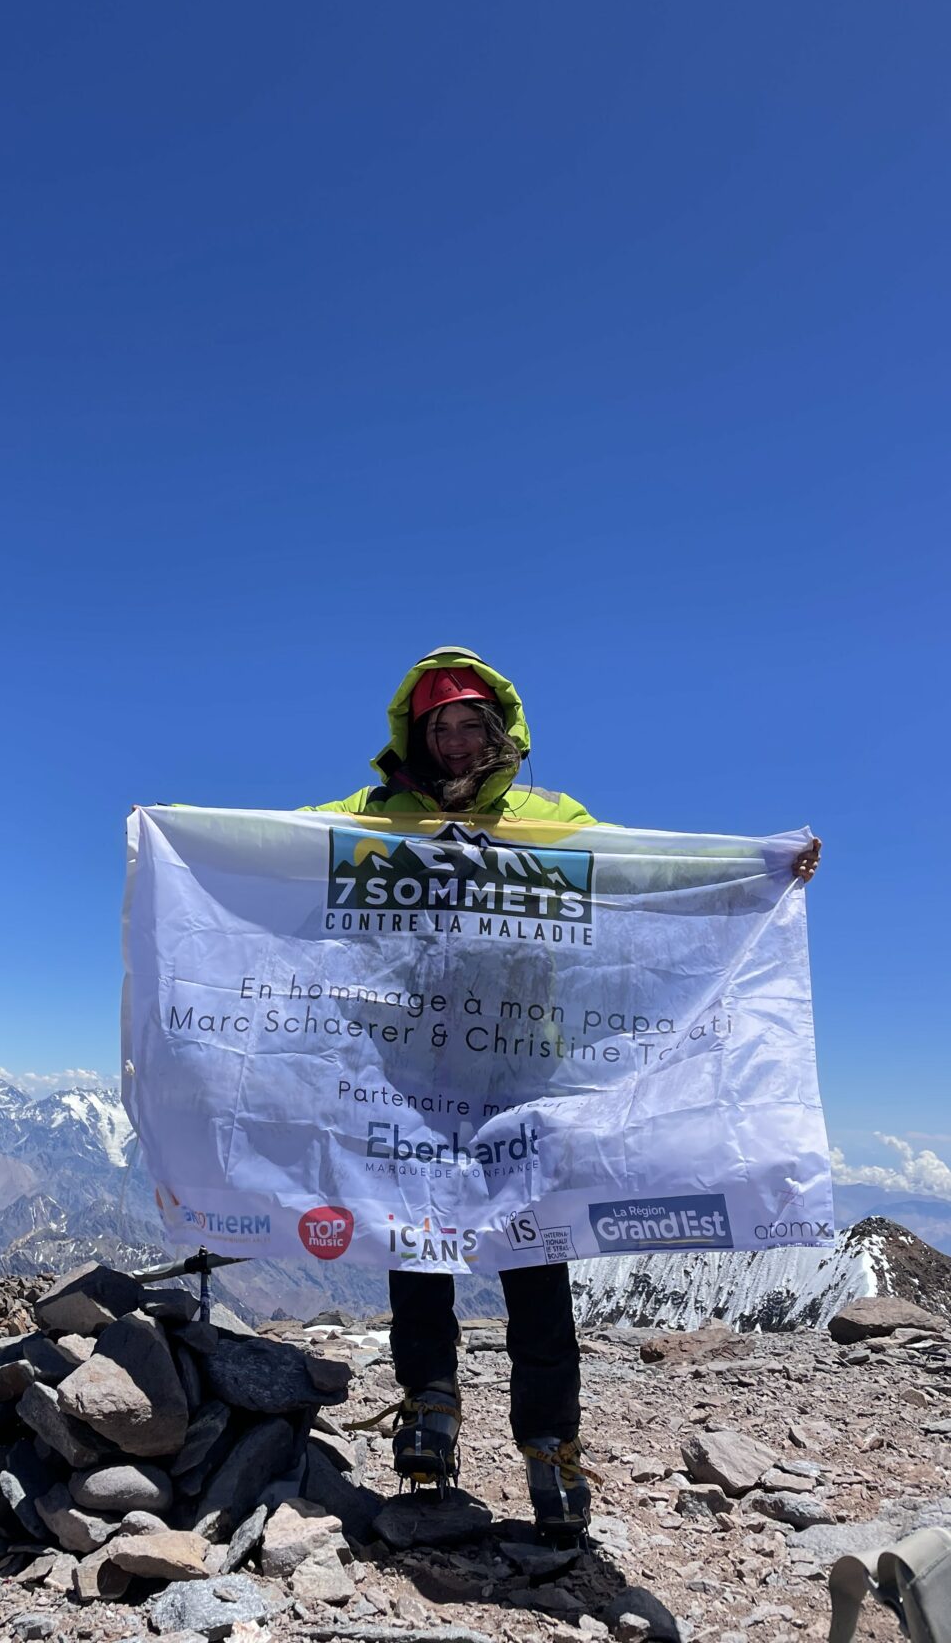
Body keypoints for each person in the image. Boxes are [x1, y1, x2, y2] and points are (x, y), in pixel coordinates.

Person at [303, 644, 821, 1543]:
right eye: (440, 727)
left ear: (501, 734)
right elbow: (288, 837)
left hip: (522, 1064)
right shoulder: (376, 812)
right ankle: (429, 1402)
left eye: (471, 724)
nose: (457, 741)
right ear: (416, 739)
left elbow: (634, 874)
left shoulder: (550, 814)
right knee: (413, 1233)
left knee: (534, 1250)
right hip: (414, 1062)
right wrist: (189, 832)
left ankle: (550, 1441)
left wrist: (760, 870)